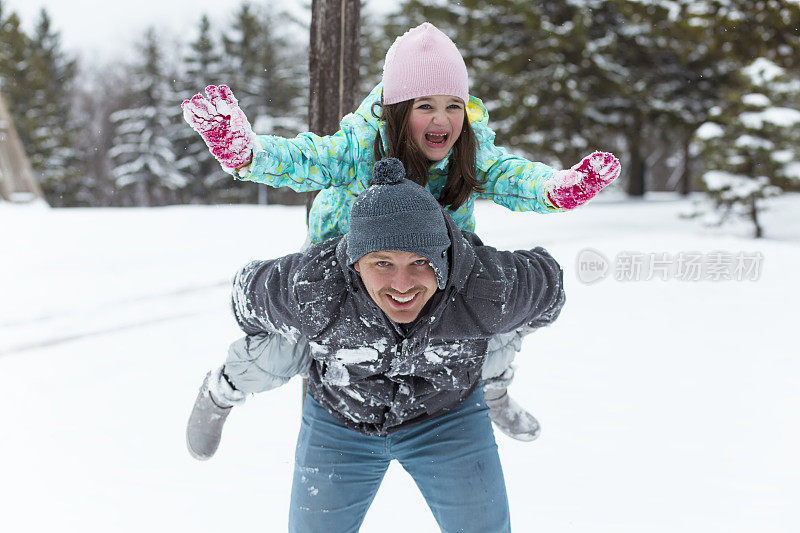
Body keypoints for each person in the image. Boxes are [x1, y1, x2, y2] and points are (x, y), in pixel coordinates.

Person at [182, 22, 620, 441]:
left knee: (485, 326)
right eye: (424, 105)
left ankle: (494, 390)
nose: (442, 119)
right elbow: (305, 159)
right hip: (349, 267)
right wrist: (248, 153)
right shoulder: (360, 145)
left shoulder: (469, 146)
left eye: (453, 105)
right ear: (397, 110)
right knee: (289, 349)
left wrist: (552, 189)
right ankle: (223, 392)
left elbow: (508, 174)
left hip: (438, 263)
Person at [188, 158, 566, 532]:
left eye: (420, 262)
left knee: (493, 334)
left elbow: (551, 285)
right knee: (278, 351)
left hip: (447, 413)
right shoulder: (316, 288)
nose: (402, 285)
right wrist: (272, 338)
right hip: (341, 416)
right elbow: (244, 294)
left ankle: (494, 390)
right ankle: (222, 391)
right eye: (382, 264)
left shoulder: (486, 286)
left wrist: (511, 332)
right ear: (355, 263)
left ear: (444, 259)